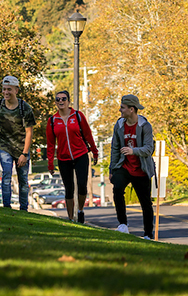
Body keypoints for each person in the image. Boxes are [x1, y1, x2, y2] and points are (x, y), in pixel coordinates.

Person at [46, 90, 99, 224]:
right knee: (69, 189)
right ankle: (70, 219)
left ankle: (80, 210)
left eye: (63, 99)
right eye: (58, 99)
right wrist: (50, 163)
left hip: (80, 154)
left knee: (82, 185)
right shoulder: (52, 120)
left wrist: (94, 151)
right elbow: (50, 144)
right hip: (64, 158)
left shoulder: (78, 116)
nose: (60, 101)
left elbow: (88, 135)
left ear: (69, 101)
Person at [109, 94, 156, 239]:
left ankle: (148, 235)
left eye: (122, 107)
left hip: (141, 169)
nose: (120, 110)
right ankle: (123, 225)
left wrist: (133, 151)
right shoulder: (119, 125)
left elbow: (149, 149)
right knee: (117, 189)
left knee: (146, 203)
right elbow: (115, 148)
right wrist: (112, 169)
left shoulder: (145, 126)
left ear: (131, 109)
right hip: (125, 166)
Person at [0, 76, 37, 211]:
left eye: (9, 89)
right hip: (4, 146)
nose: (6, 92)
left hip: (22, 147)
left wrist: (24, 153)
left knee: (23, 179)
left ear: (16, 90)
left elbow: (29, 132)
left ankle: (23, 208)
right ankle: (6, 207)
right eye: (4, 89)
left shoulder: (24, 108)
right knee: (6, 175)